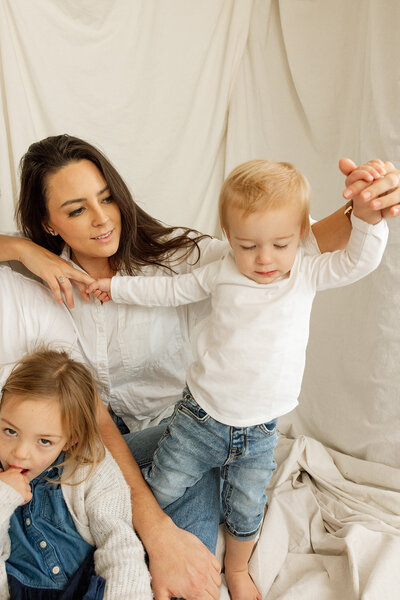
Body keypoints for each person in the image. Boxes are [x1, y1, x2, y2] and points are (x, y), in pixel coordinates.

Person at [0, 135, 399, 600]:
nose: (102, 217)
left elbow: (291, 242)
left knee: (198, 508)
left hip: (175, 433)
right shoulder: (31, 291)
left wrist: (365, 204)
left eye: (106, 196)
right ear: (48, 223)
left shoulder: (180, 260)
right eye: (75, 209)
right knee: (170, 503)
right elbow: (97, 424)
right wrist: (19, 248)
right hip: (90, 448)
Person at [0, 349, 152, 600]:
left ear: (71, 439)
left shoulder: (89, 468)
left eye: (45, 441)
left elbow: (120, 547)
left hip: (86, 589)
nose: (20, 454)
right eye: (10, 431)